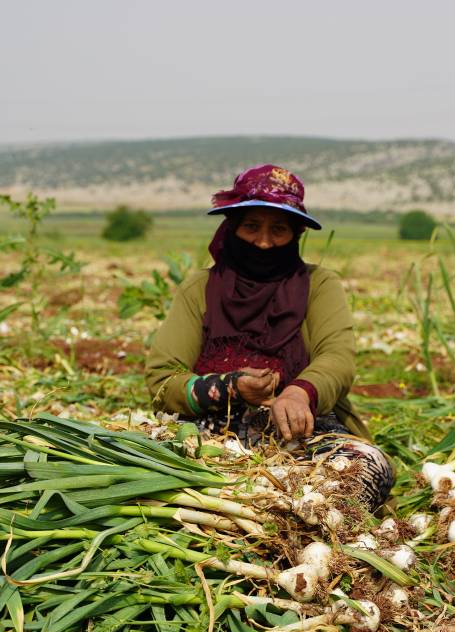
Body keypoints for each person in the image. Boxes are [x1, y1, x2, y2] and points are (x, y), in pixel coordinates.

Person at [145, 164, 394, 510]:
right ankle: (257, 515)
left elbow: (337, 358)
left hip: (299, 432)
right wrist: (231, 386)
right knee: (148, 468)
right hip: (208, 435)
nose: (263, 242)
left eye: (278, 229)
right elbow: (162, 377)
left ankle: (300, 519)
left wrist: (298, 392)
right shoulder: (199, 289)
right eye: (251, 227)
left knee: (368, 466)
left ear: (295, 235)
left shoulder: (319, 285)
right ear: (232, 228)